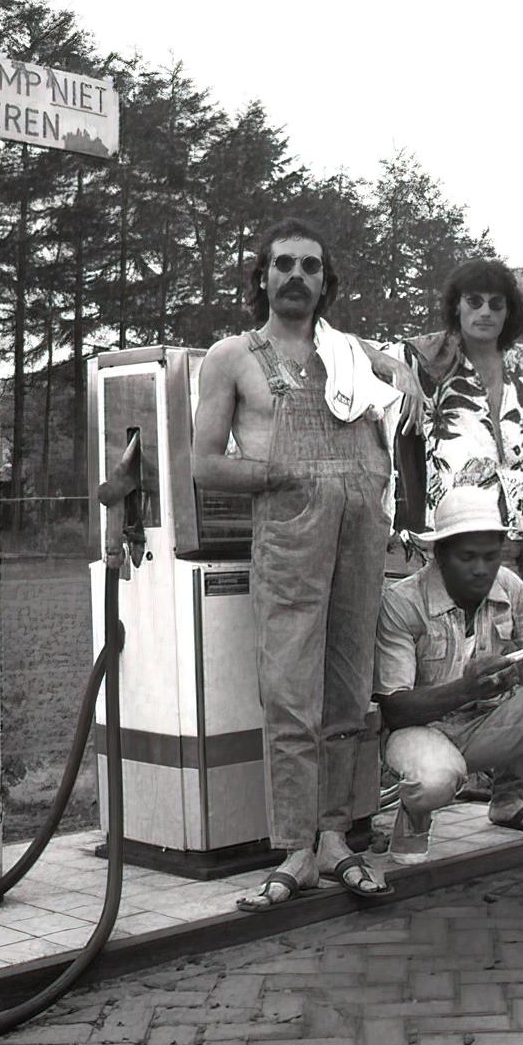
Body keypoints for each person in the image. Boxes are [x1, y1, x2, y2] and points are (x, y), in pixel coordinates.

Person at [192, 217, 424, 912]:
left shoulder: (349, 354)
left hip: (361, 534)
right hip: (291, 532)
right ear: (261, 274)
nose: (297, 275)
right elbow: (205, 465)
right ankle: (294, 846)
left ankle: (336, 838)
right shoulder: (233, 356)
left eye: (311, 266)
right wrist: (282, 471)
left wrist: (400, 370)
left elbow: (406, 393)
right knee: (291, 693)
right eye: (284, 263)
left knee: (349, 693)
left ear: (326, 282)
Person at [372, 484, 523, 906]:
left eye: (490, 556)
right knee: (434, 779)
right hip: (420, 730)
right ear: (440, 553)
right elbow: (394, 708)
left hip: (488, 724)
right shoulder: (402, 603)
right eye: (467, 557)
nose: (481, 569)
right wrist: (465, 688)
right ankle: (415, 811)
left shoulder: (510, 587)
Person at [406, 259, 523, 616]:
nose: (485, 311)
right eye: (474, 301)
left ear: (509, 311)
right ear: (456, 306)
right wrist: (395, 366)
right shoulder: (429, 364)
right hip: (466, 530)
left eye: (496, 303)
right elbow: (359, 351)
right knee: (467, 643)